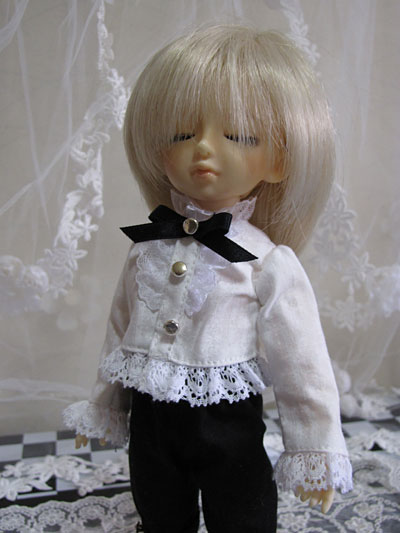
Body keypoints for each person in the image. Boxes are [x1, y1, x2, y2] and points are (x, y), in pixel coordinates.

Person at [64, 25, 352, 533]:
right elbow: (120, 332)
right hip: (151, 415)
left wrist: (314, 449)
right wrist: (106, 404)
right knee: (158, 504)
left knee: (241, 507)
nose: (202, 149)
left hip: (226, 416)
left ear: (278, 161)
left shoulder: (266, 262)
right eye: (180, 135)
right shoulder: (146, 248)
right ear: (159, 151)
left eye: (237, 136)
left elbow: (302, 363)